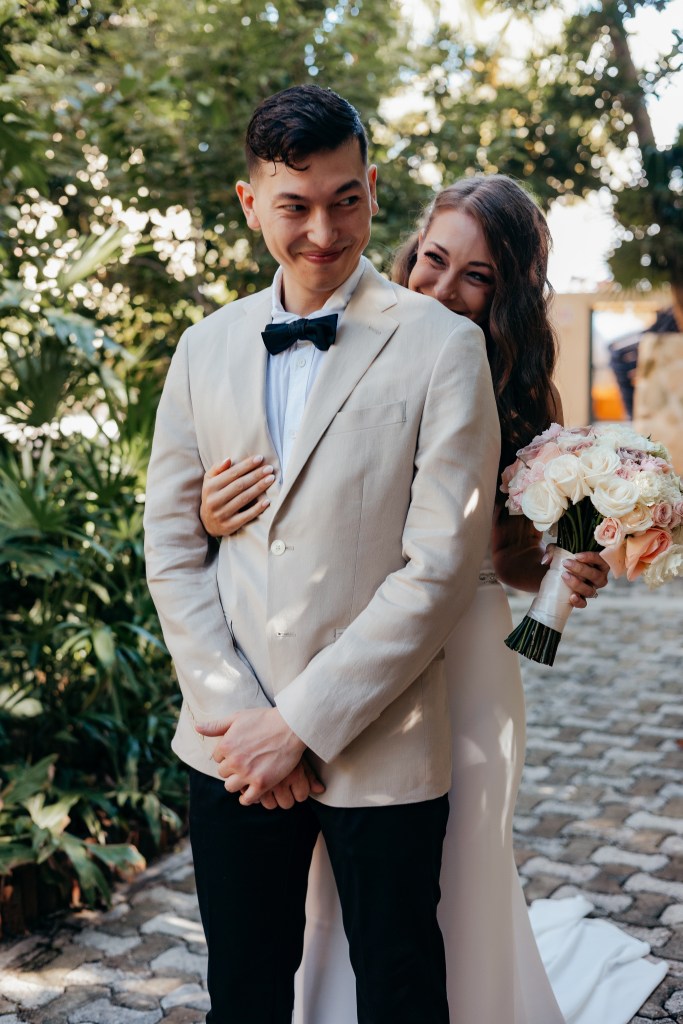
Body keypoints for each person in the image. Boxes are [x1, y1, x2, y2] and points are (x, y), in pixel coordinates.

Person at [200, 176, 667, 1024]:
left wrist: (569, 571)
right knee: (337, 870)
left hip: (472, 661)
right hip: (346, 649)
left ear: (509, 292)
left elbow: (521, 564)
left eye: (476, 276)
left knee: (457, 867)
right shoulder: (355, 340)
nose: (443, 290)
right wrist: (212, 511)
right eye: (433, 261)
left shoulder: (531, 405)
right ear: (410, 254)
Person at [144, 85, 500, 1024]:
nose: (321, 231)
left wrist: (300, 722)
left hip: (382, 739)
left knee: (400, 989)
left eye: (345, 199)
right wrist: (242, 721)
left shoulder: (442, 346)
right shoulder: (201, 348)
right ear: (249, 201)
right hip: (229, 748)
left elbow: (439, 566)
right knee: (246, 992)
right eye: (294, 205)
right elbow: (173, 551)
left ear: (373, 189)